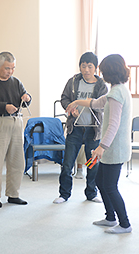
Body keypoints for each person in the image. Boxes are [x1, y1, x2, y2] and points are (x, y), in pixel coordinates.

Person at [68, 54, 133, 234]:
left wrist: (100, 147)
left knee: (110, 186)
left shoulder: (117, 93)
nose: (100, 73)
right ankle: (110, 217)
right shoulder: (117, 90)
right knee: (100, 181)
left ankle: (125, 224)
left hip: (114, 148)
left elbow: (113, 124)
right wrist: (76, 101)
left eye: (102, 70)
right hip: (112, 147)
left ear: (109, 71)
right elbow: (96, 103)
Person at [53, 52, 108, 204]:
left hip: (93, 130)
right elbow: (64, 98)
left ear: (95, 68)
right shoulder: (73, 81)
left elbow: (103, 104)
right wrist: (70, 109)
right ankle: (64, 194)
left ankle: (91, 193)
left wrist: (88, 104)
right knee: (67, 163)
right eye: (83, 66)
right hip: (75, 129)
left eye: (90, 67)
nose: (86, 70)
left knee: (92, 164)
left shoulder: (101, 85)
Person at [0, 51, 31, 208]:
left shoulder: (16, 82)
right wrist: (4, 107)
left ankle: (13, 194)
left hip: (16, 122)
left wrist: (27, 98)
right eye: (7, 68)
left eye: (13, 68)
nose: (10, 71)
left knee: (17, 161)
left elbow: (25, 98)